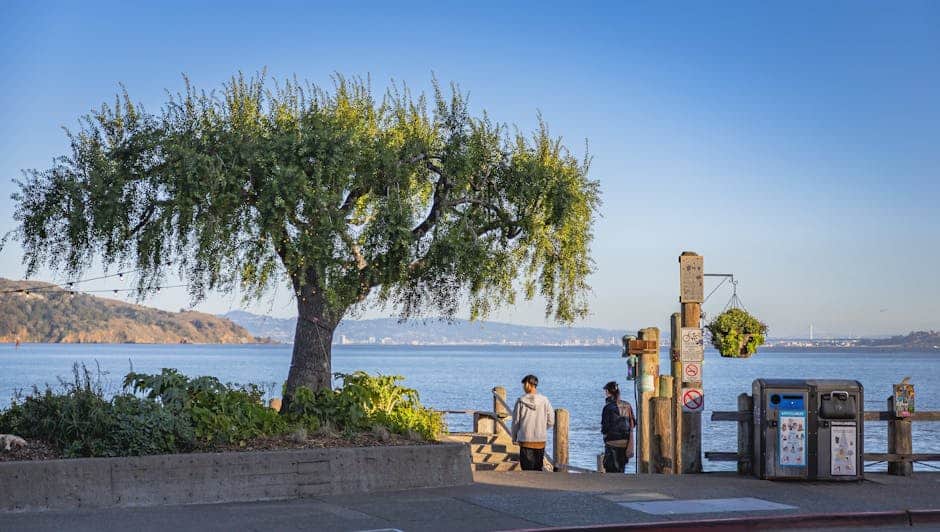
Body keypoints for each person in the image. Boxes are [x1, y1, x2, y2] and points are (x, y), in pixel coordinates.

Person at [511, 374, 555, 471]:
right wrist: (542, 428)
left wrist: (514, 436)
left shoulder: (520, 401)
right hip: (540, 439)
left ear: (528, 384)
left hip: (525, 439)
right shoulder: (545, 401)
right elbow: (551, 420)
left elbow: (516, 422)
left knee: (526, 469)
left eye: (523, 384)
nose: (523, 387)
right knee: (538, 467)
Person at [601, 381, 636, 473]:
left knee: (610, 469)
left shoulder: (607, 407)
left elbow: (604, 428)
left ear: (608, 392)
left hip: (612, 442)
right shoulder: (627, 405)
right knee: (621, 468)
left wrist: (605, 438)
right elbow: (633, 423)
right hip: (626, 442)